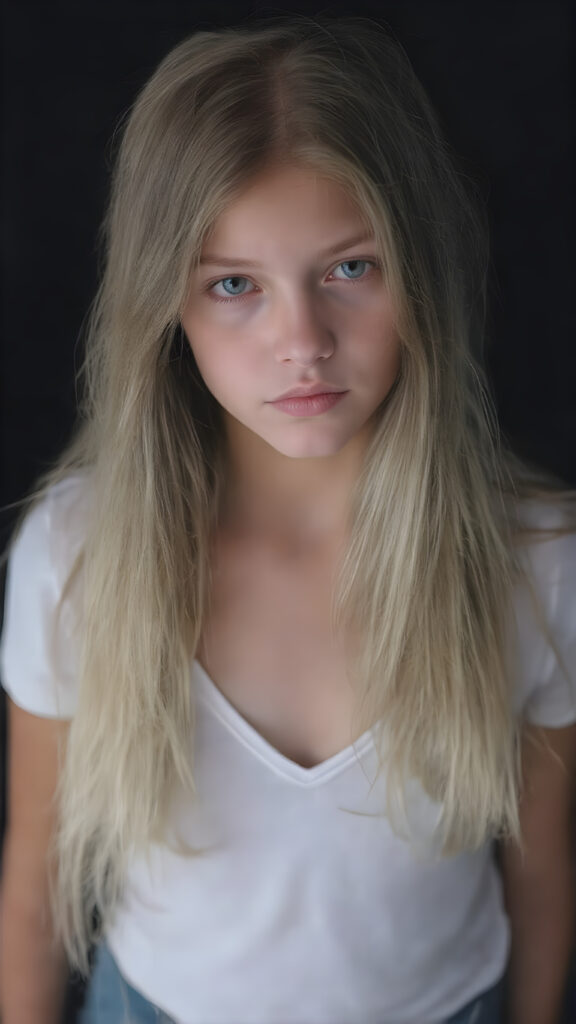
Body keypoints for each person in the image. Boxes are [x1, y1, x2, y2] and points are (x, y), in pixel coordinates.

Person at [0, 15, 575, 1024]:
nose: (301, 341)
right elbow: (36, 879)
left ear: (419, 268)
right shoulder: (78, 554)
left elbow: (543, 872)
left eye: (351, 268)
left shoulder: (538, 561)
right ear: (165, 309)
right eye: (234, 286)